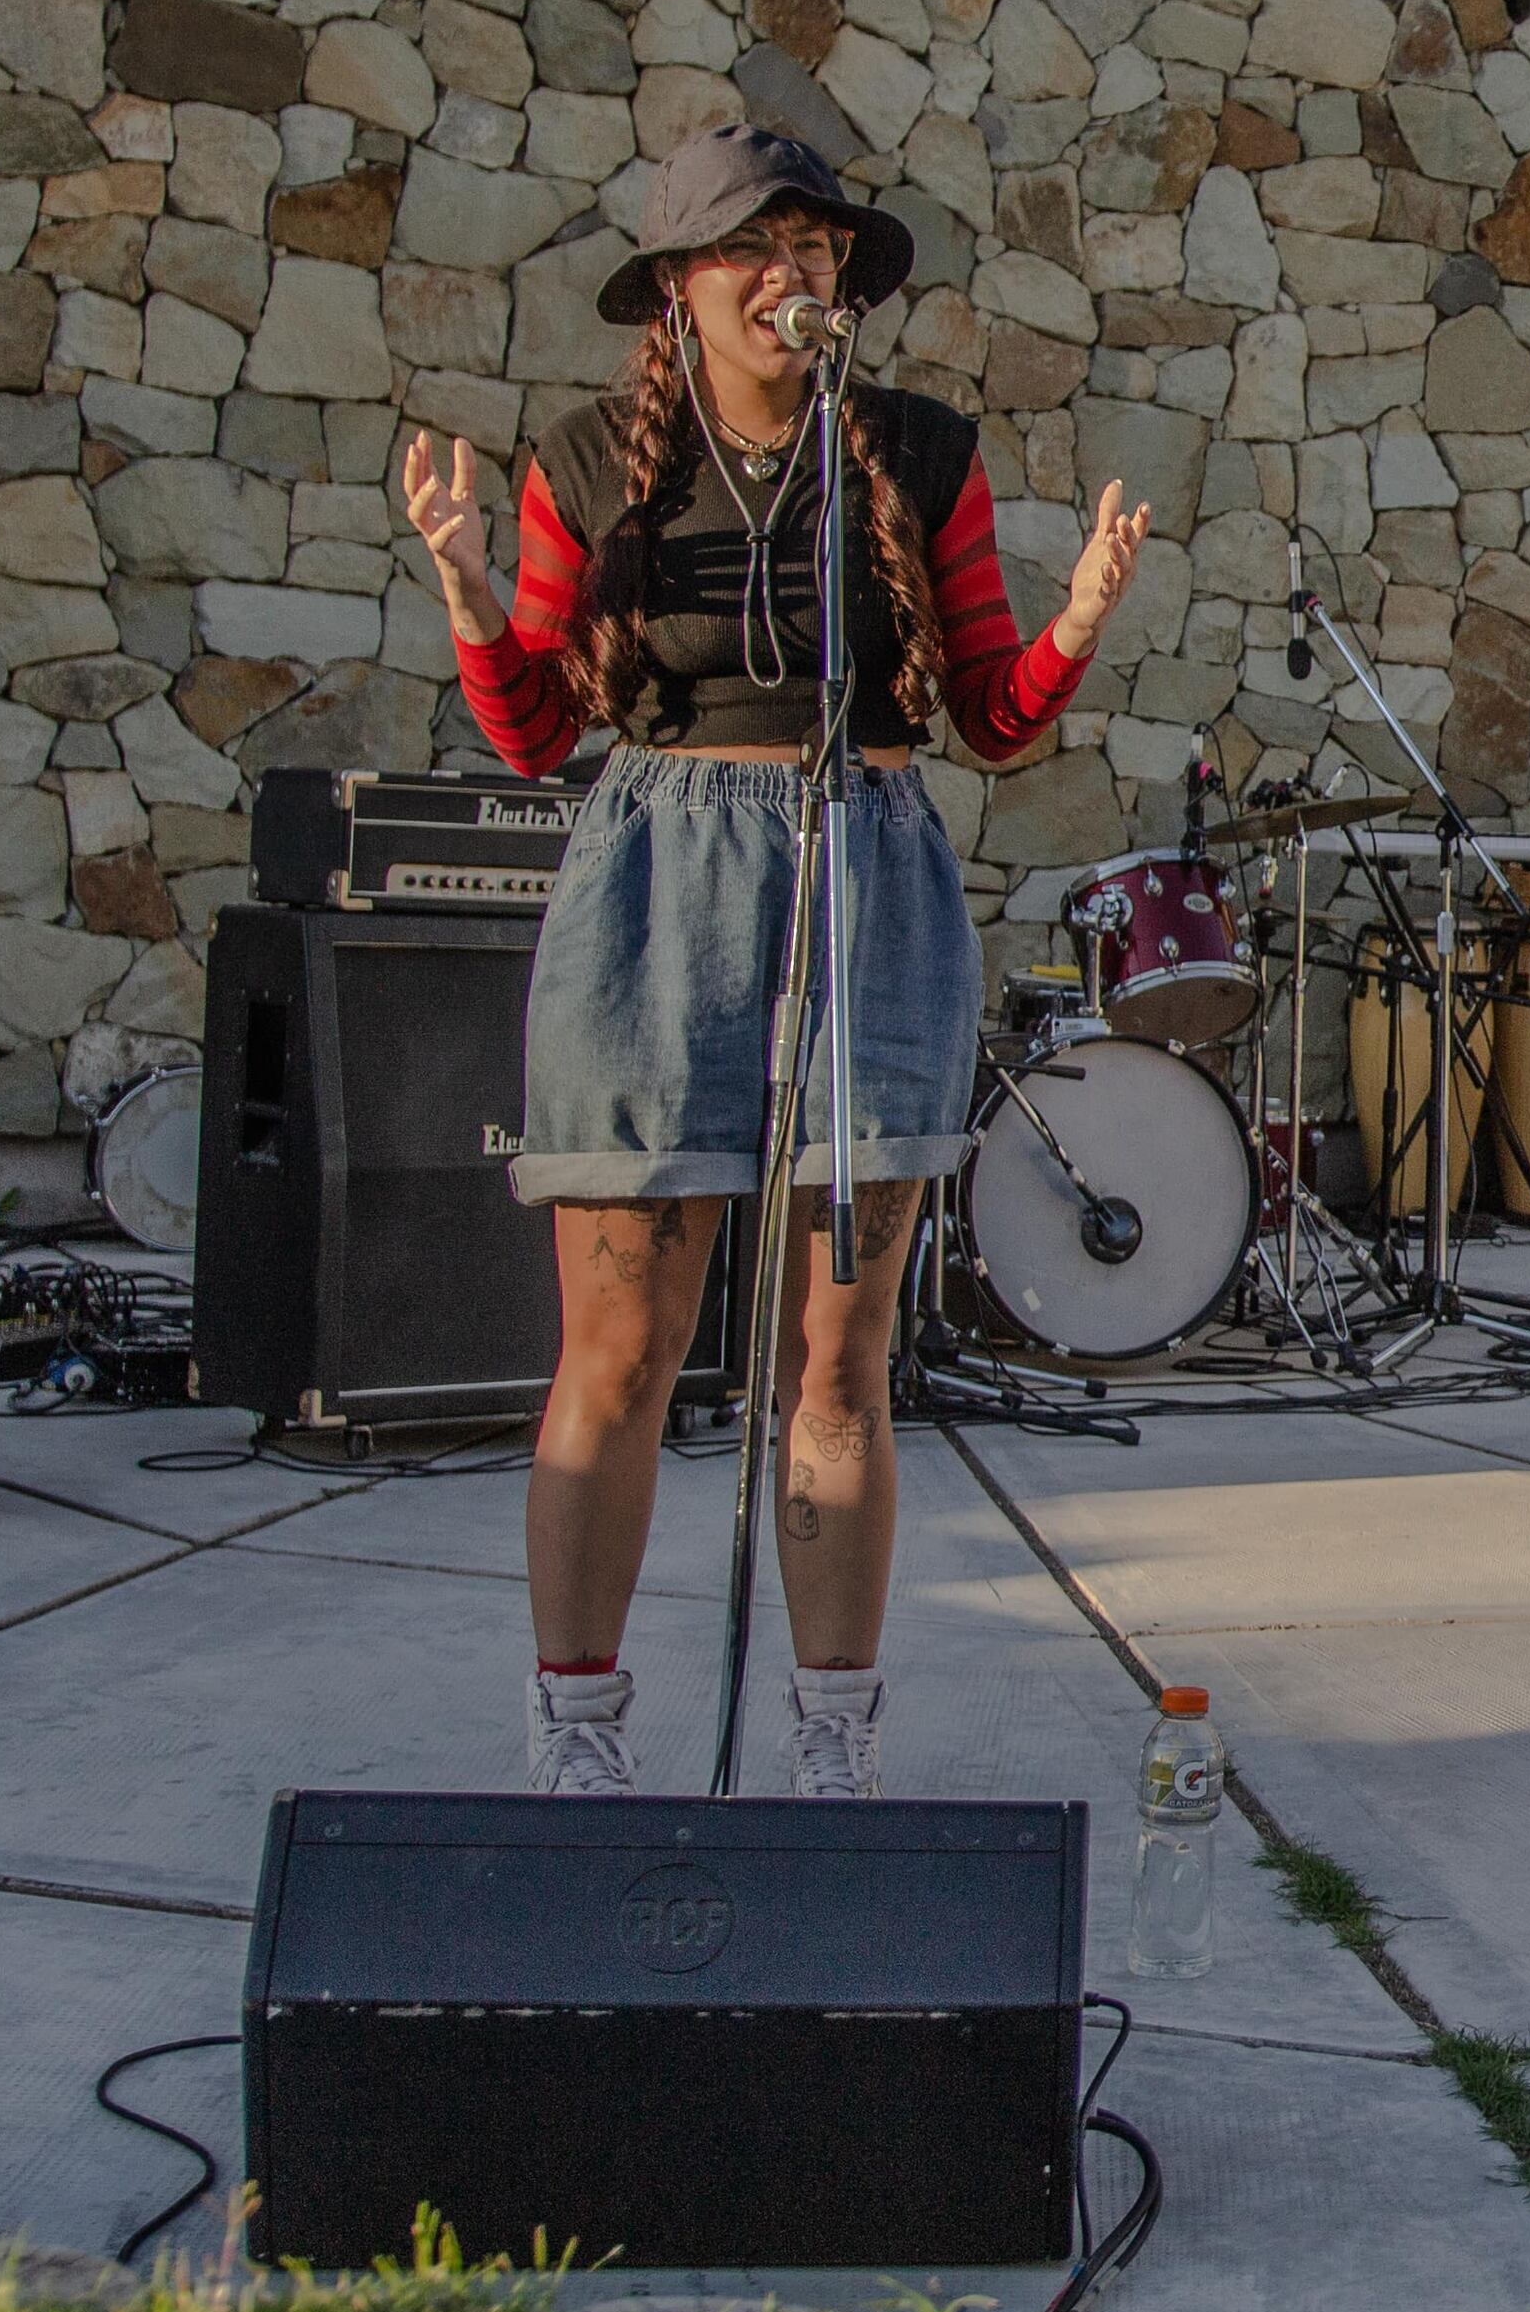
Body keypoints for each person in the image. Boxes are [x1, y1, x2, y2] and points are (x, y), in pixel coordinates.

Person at [397, 125, 1151, 1795]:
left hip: (863, 870)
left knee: (838, 1349)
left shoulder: (914, 450)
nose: (791, 271)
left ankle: (832, 1741)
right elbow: (533, 733)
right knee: (622, 1342)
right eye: (754, 243)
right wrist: (468, 592)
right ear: (676, 285)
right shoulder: (591, 462)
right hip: (659, 880)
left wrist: (1079, 620)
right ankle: (578, 1734)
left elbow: (990, 722)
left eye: (816, 246)